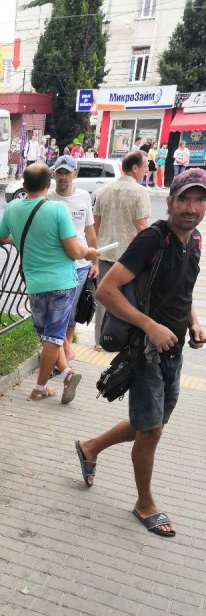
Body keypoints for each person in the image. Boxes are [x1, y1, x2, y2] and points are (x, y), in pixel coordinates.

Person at [74, 168, 206, 537]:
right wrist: (150, 326)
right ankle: (144, 503)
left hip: (174, 350)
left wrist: (193, 322)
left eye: (199, 200)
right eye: (184, 199)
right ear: (170, 201)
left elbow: (182, 290)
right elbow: (106, 290)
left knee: (150, 424)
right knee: (151, 431)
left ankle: (90, 446)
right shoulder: (154, 239)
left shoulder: (193, 241)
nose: (191, 207)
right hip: (145, 350)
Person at [0, 163, 98, 402]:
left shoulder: (12, 208)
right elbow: (73, 251)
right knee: (53, 337)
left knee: (47, 335)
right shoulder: (57, 209)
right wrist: (90, 252)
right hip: (62, 282)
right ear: (48, 184)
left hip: (35, 283)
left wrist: (18, 240)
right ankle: (40, 387)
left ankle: (68, 373)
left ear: (24, 185)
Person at [93, 149, 151, 349]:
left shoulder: (103, 191)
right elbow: (142, 227)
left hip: (105, 252)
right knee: (130, 299)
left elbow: (95, 225)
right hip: (130, 258)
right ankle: (123, 340)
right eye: (144, 167)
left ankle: (100, 341)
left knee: (103, 296)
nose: (146, 171)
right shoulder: (140, 192)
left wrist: (95, 251)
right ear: (134, 168)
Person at [47, 155, 98, 362]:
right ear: (54, 174)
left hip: (80, 266)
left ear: (75, 174)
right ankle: (63, 353)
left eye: (67, 173)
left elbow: (89, 231)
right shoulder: (47, 197)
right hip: (56, 266)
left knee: (71, 313)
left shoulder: (84, 197)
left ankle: (62, 355)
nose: (63, 177)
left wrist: (94, 261)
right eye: (60, 172)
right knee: (58, 313)